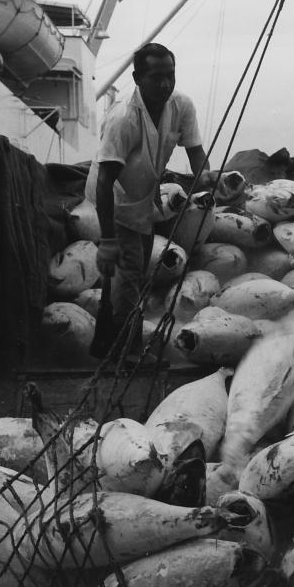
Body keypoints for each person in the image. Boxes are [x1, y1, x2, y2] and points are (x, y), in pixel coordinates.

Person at [90, 42, 208, 360]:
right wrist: (107, 240)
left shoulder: (181, 105)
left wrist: (206, 178)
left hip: (143, 199)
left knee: (133, 276)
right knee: (128, 278)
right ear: (137, 78)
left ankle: (111, 347)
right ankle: (123, 355)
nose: (165, 84)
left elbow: (196, 152)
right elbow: (104, 183)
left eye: (170, 75)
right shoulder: (123, 119)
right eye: (156, 77)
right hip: (114, 201)